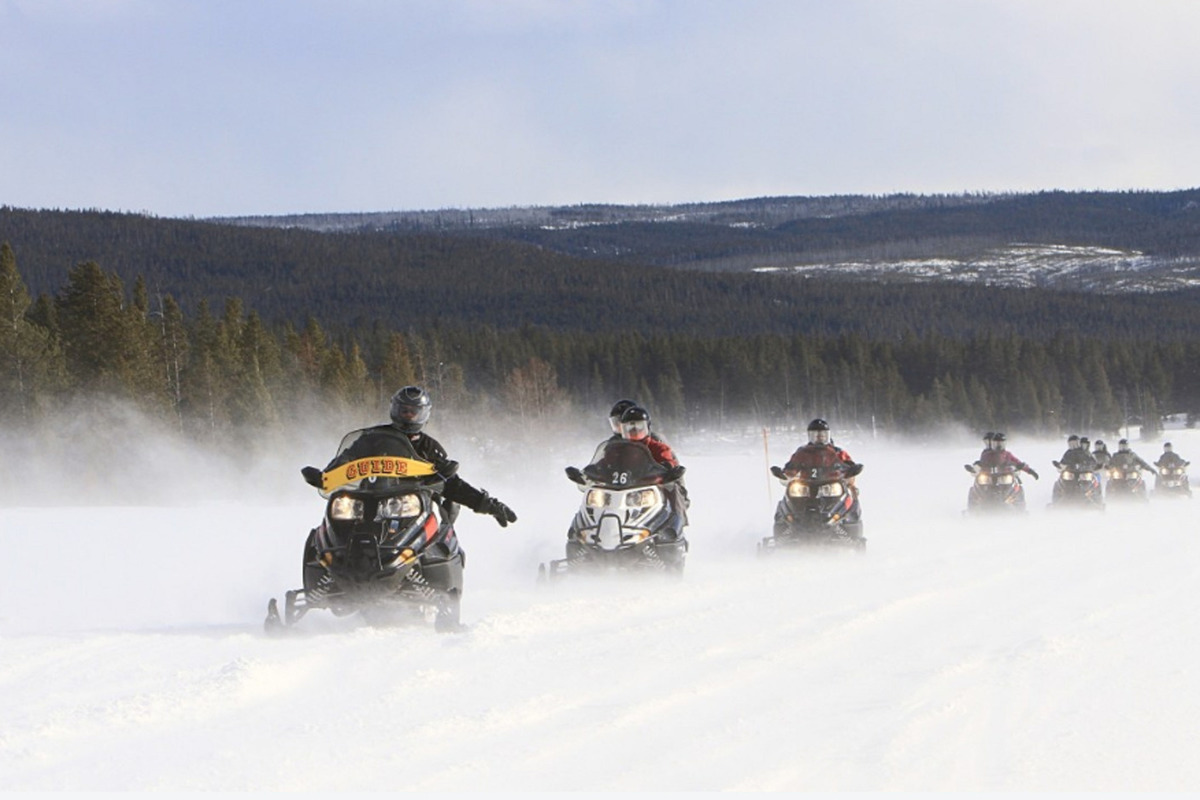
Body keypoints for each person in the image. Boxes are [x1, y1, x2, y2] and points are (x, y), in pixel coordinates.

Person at [386, 385, 517, 527]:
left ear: (423, 414)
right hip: (378, 504)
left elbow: (451, 483)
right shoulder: (375, 439)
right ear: (395, 410)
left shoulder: (429, 447)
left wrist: (489, 505)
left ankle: (444, 537)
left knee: (441, 514)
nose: (408, 416)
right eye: (404, 411)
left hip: (415, 511)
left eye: (413, 412)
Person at [784, 418, 862, 490]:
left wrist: (852, 470)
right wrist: (786, 473)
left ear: (827, 435)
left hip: (832, 486)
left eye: (823, 435)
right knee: (791, 494)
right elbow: (792, 466)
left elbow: (849, 465)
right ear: (810, 436)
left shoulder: (837, 452)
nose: (819, 438)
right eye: (815, 435)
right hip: (806, 486)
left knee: (851, 491)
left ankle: (854, 498)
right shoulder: (802, 452)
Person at [972, 431, 1039, 479]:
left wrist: (1029, 470)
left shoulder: (1007, 454)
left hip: (1005, 477)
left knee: (1016, 487)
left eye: (1001, 443)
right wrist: (976, 466)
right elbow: (982, 463)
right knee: (978, 485)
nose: (998, 446)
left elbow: (1017, 462)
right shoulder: (987, 454)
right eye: (996, 443)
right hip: (989, 478)